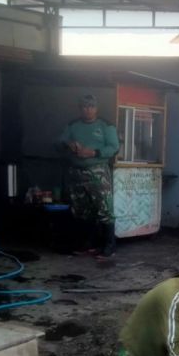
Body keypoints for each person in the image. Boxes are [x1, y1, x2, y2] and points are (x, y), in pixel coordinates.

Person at [59, 94, 120, 259]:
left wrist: (93, 152)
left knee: (104, 208)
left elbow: (114, 147)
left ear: (96, 108)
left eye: (91, 106)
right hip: (76, 172)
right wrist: (69, 144)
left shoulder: (106, 125)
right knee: (82, 210)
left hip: (97, 171)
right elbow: (59, 141)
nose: (88, 110)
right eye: (85, 107)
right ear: (80, 108)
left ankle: (109, 246)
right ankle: (88, 244)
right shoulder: (73, 125)